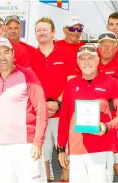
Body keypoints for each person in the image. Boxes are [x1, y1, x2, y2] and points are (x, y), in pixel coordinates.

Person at [57, 44, 118, 183]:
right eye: (83, 59)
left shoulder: (111, 83)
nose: (87, 62)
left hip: (101, 149)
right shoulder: (71, 85)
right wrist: (61, 147)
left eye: (90, 58)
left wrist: (106, 127)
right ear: (78, 62)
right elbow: (64, 118)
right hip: (76, 150)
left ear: (98, 59)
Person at [0, 37, 47, 183]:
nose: (3, 57)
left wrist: (37, 142)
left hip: (26, 145)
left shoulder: (27, 75)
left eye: (6, 52)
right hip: (1, 146)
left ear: (13, 53)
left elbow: (41, 110)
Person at [32, 17, 77, 182]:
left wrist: (57, 102)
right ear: (35, 34)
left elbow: (72, 83)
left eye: (45, 29)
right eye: (38, 30)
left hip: (63, 116)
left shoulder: (66, 54)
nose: (42, 33)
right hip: (40, 117)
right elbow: (29, 87)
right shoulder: (31, 55)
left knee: (65, 158)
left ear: (53, 33)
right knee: (41, 157)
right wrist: (42, 106)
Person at [97, 31, 118, 182]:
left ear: (116, 46)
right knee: (101, 163)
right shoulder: (92, 63)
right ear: (98, 47)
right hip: (97, 120)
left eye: (110, 45)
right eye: (103, 45)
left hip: (117, 120)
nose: (106, 48)